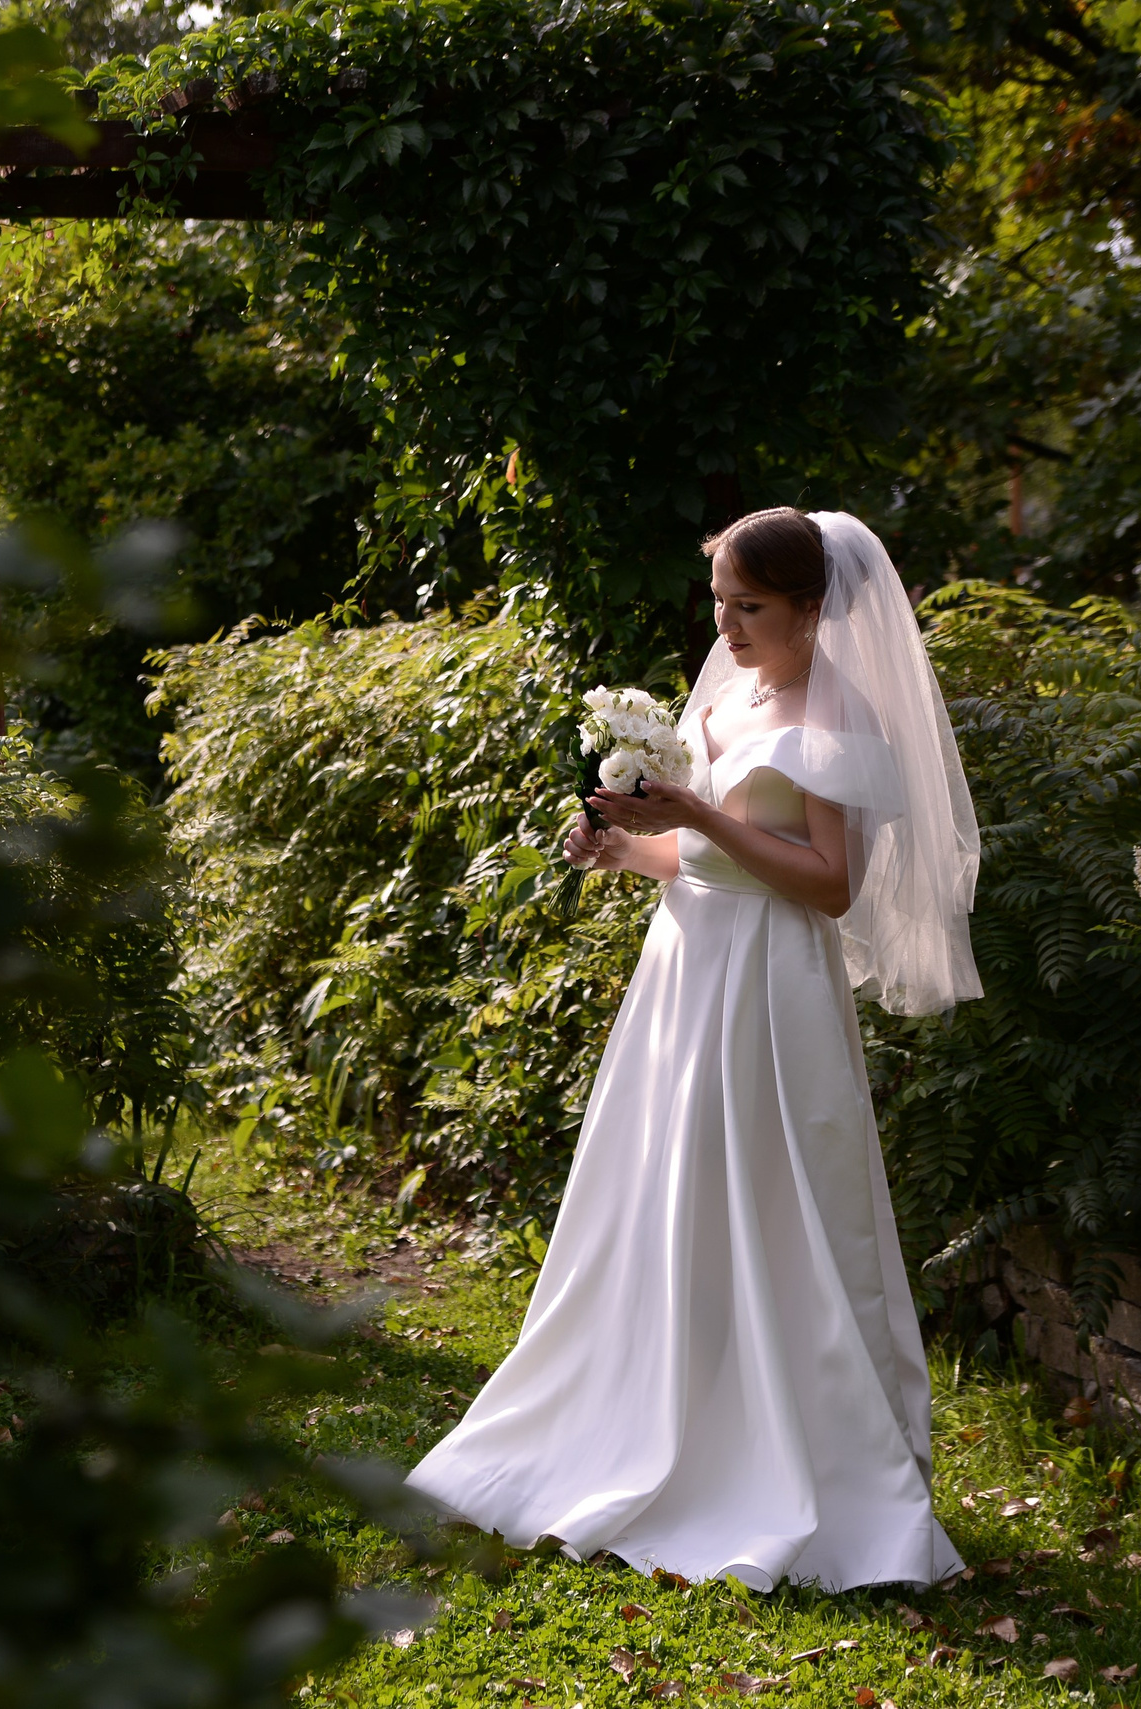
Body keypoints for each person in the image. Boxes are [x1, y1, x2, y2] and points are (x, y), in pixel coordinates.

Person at [404, 508, 982, 1592]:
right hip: (686, 969)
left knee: (776, 1202)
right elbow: (695, 851)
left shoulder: (838, 712)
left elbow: (825, 882)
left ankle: (792, 1451)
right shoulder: (723, 692)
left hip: (772, 985)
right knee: (665, 1194)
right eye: (719, 599)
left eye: (749, 606)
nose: (727, 621)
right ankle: (650, 1411)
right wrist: (622, 844)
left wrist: (698, 823)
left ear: (812, 607)